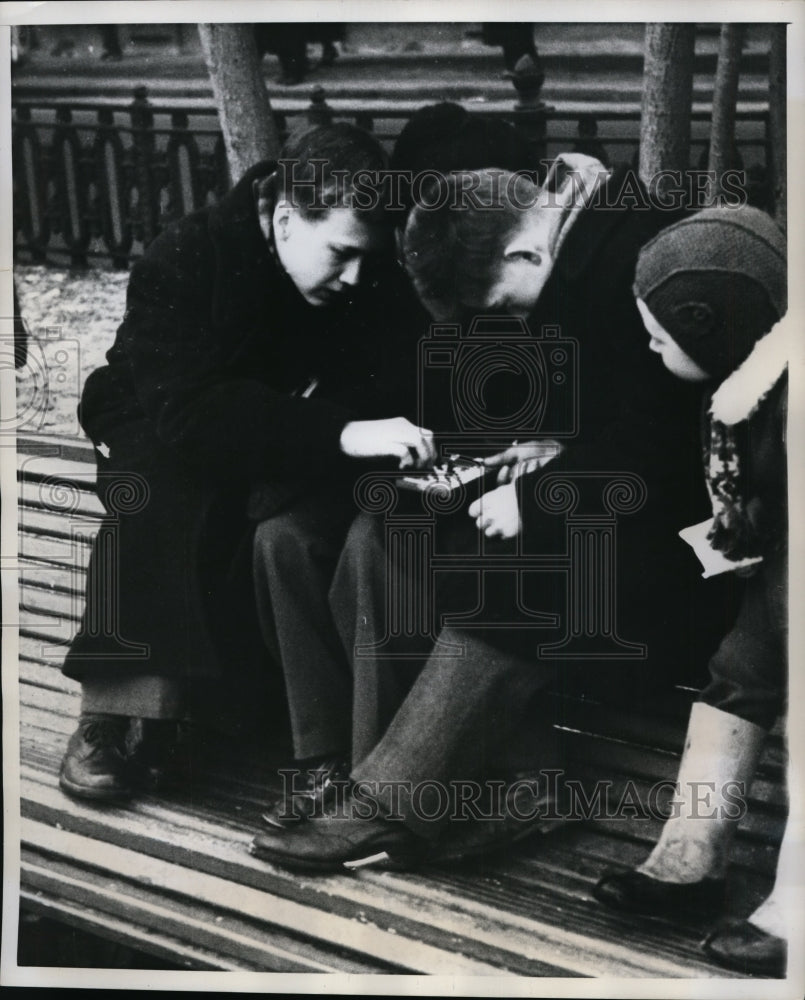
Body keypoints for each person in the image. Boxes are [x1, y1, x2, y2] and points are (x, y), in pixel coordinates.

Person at [250, 157, 730, 872]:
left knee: (515, 568)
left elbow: (669, 448)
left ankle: (400, 801)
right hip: (623, 509)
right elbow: (626, 414)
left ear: (522, 249)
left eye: (505, 305)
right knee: (392, 531)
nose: (514, 321)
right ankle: (391, 777)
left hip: (699, 550)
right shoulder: (578, 244)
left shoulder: (629, 252)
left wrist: (539, 495)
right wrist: (549, 446)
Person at [59, 123, 437, 803]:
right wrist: (340, 427)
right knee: (164, 487)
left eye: (364, 258)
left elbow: (401, 371)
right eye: (341, 254)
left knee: (278, 516)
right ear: (288, 218)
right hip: (157, 414)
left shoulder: (362, 264)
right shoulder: (186, 254)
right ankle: (112, 713)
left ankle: (196, 718)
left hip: (286, 425)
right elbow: (190, 413)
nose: (355, 276)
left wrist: (331, 417)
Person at [591, 206, 789, 977]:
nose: (648, 346)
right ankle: (691, 851)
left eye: (660, 335)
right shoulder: (754, 386)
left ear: (711, 328)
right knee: (737, 672)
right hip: (783, 567)